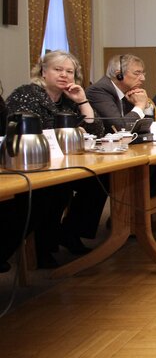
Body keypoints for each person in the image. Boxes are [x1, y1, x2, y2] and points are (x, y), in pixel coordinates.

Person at [3, 51, 105, 269]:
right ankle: (43, 248)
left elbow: (96, 131)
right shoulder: (27, 94)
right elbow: (26, 131)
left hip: (64, 164)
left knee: (98, 180)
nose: (64, 75)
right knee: (53, 191)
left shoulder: (69, 100)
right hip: (31, 165)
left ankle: (69, 233)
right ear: (43, 71)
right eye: (58, 70)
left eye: (70, 71)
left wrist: (82, 101)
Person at [86, 53, 153, 131]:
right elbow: (120, 128)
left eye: (143, 73)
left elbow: (148, 129)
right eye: (137, 73)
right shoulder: (98, 91)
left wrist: (146, 106)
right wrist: (140, 106)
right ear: (119, 75)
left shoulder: (130, 92)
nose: (143, 78)